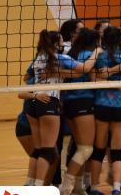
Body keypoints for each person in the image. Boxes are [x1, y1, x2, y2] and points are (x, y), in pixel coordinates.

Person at [27, 30, 100, 186]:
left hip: (33, 104)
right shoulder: (60, 57)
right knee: (48, 152)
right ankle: (38, 189)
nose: (63, 44)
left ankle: (30, 185)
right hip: (49, 102)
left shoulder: (37, 59)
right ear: (55, 44)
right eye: (60, 42)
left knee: (39, 150)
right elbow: (85, 69)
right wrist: (97, 51)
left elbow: (27, 77)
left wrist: (57, 72)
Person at [89, 26, 121, 195]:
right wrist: (119, 83)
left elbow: (93, 80)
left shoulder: (98, 57)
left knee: (98, 150)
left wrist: (106, 79)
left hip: (102, 105)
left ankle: (93, 190)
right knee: (117, 151)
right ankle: (116, 190)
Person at [59, 28, 102, 195]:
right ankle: (65, 190)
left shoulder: (71, 53)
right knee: (86, 149)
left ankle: (76, 187)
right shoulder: (91, 54)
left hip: (68, 103)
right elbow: (92, 81)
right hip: (83, 101)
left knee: (79, 147)